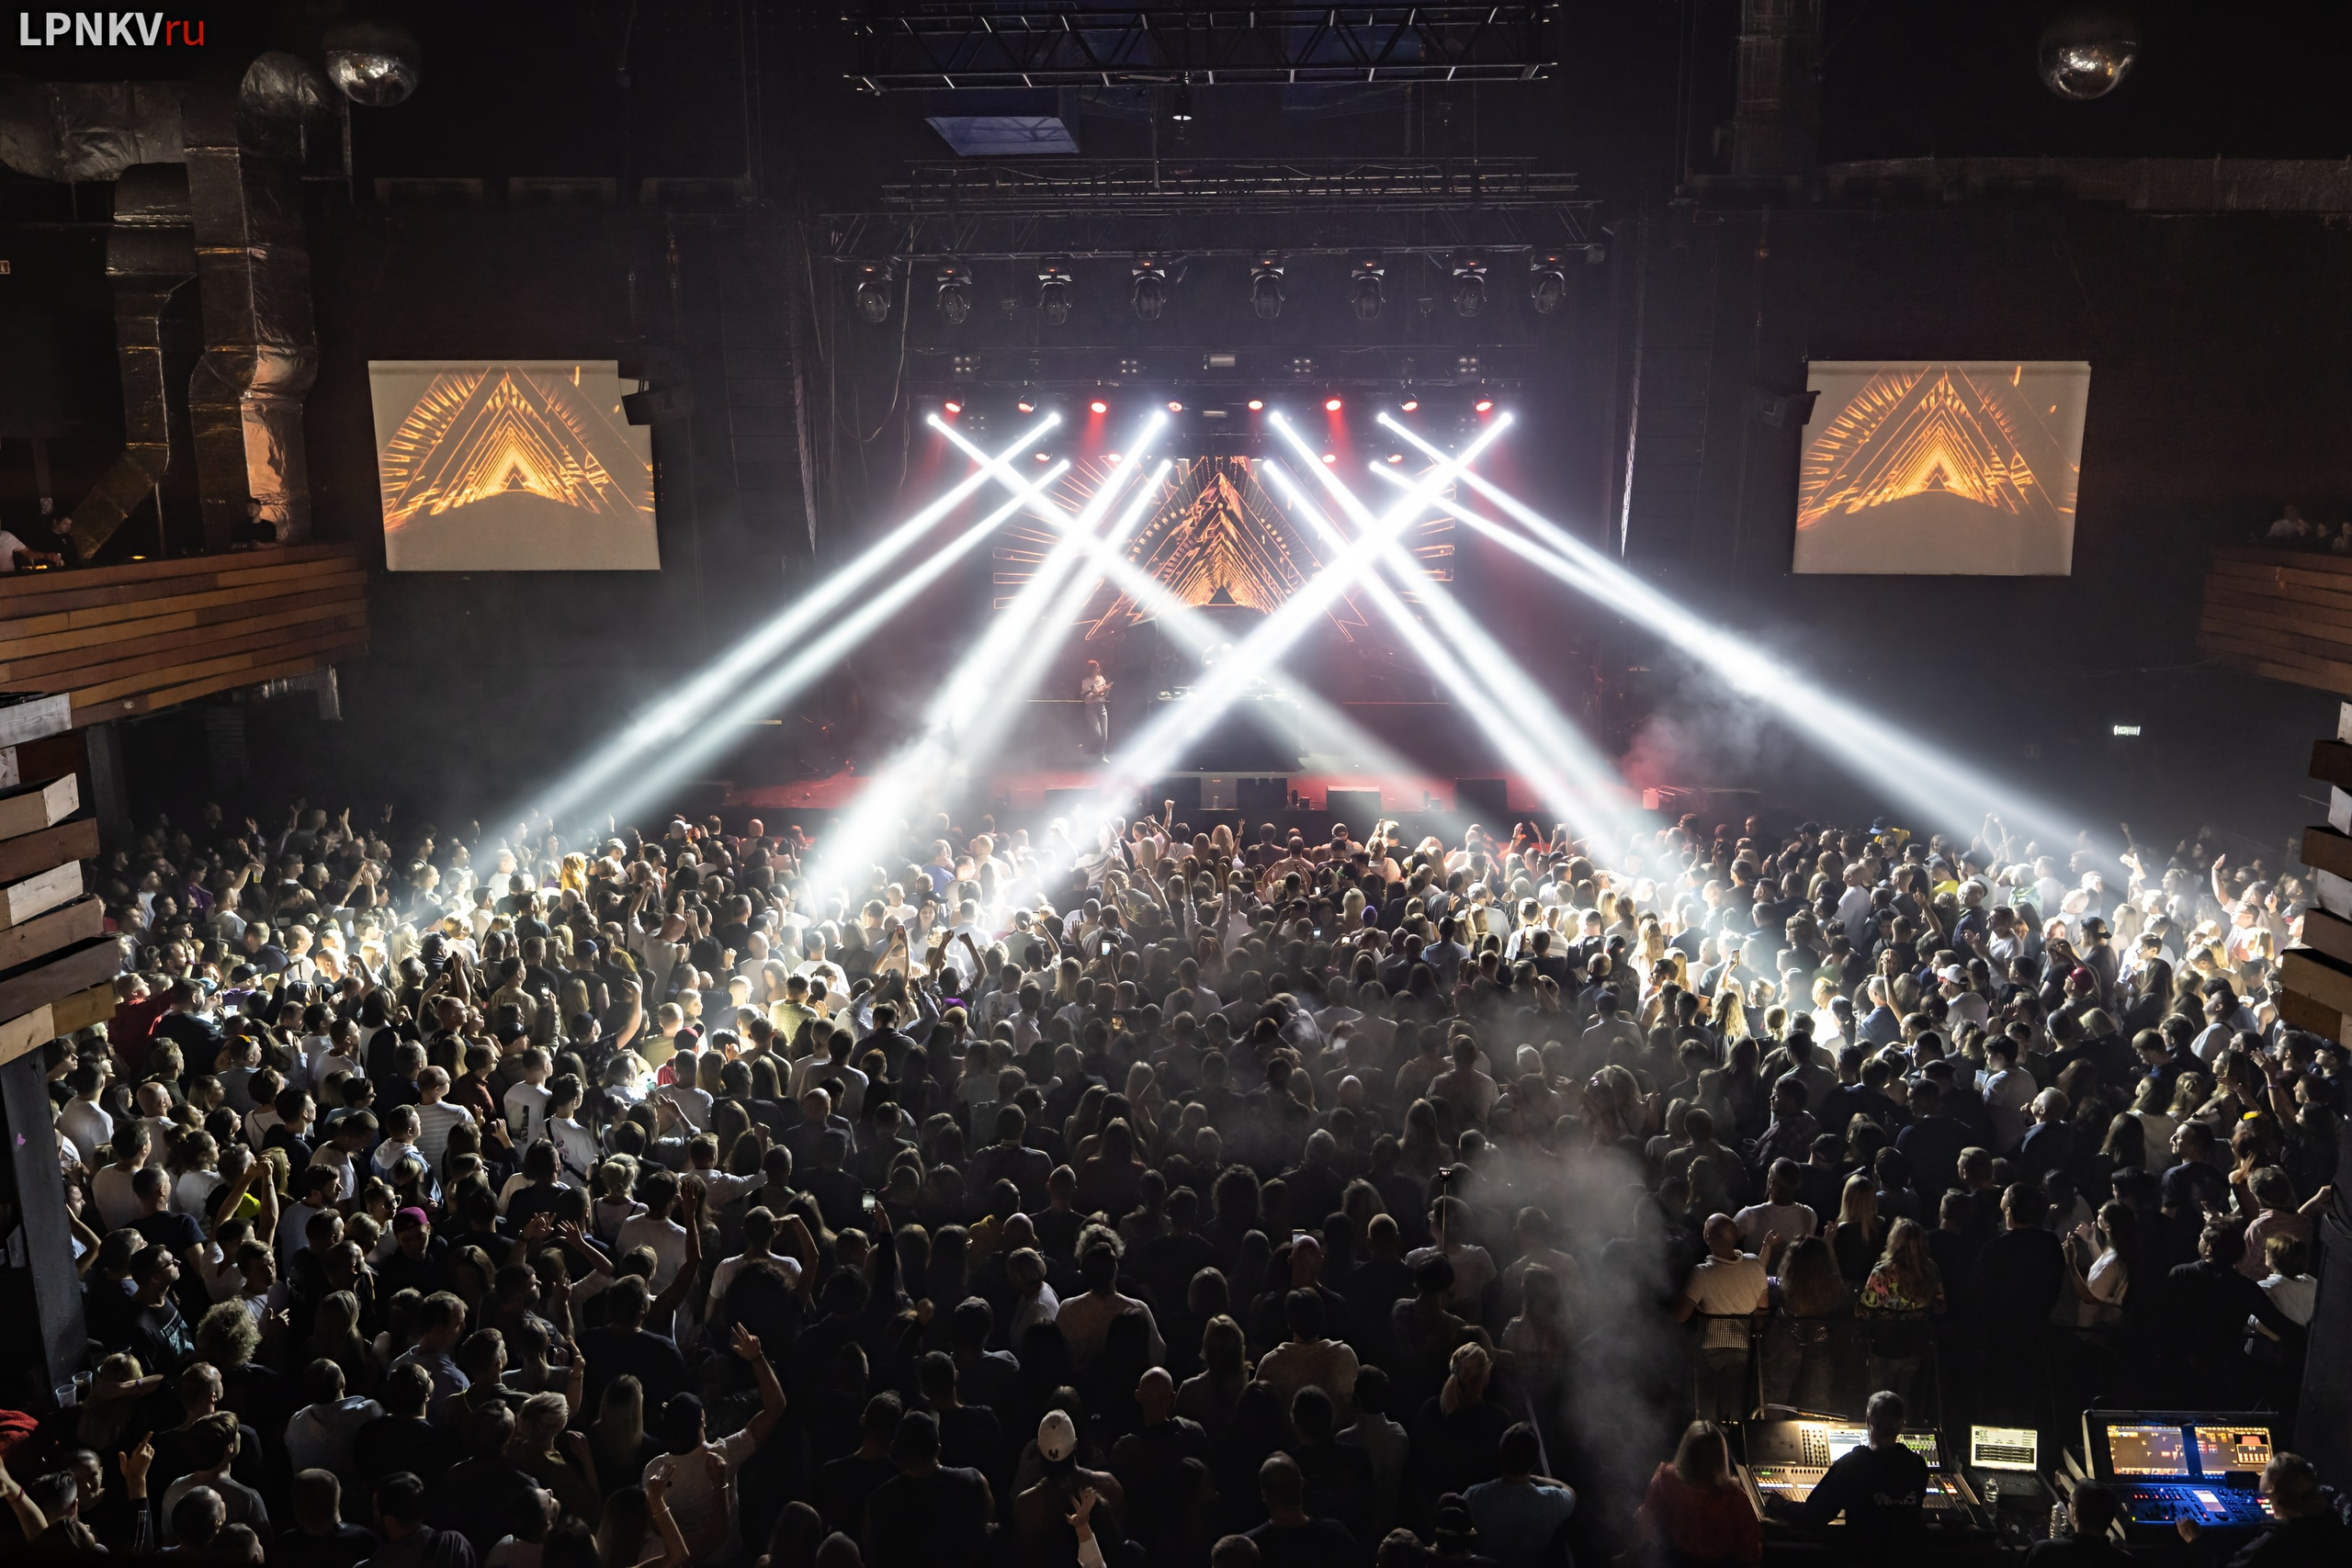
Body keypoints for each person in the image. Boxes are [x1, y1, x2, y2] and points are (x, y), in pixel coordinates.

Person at [1775, 1390, 1927, 1556]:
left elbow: (1813, 1516)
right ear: (1901, 1424)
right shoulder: (1917, 1465)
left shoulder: (1852, 1465)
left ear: (1869, 1421)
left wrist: (1782, 1504)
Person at [1635, 1421, 1761, 1568]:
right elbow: (1750, 1549)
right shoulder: (1735, 1498)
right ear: (1720, 1457)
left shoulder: (1665, 1480)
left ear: (1686, 1452)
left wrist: (1628, 1555)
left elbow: (1645, 1521)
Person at [1463, 1424, 1575, 1568]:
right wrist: (1537, 1479)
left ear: (1501, 1455)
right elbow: (1569, 1492)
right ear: (1534, 1461)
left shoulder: (1473, 1496)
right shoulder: (1552, 1501)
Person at [1079, 660, 1113, 759]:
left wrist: (1105, 691)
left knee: (1104, 735)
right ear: (1092, 669)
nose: (1099, 669)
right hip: (1091, 708)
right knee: (1096, 733)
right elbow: (1087, 698)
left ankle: (1101, 754)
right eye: (1097, 667)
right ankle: (1084, 747)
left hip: (1102, 706)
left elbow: (1104, 695)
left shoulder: (1101, 679)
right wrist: (1099, 692)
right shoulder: (1086, 682)